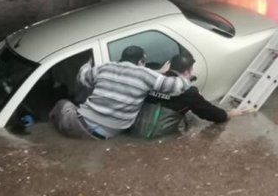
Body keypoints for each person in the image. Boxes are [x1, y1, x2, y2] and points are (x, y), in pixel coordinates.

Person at [49, 45, 190, 140]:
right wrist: (185, 74)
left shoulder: (105, 68)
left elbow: (82, 78)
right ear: (141, 61)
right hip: (103, 137)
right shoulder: (146, 75)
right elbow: (178, 86)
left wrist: (87, 62)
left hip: (77, 125)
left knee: (62, 103)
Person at [130, 54, 245, 139]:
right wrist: (228, 114)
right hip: (159, 138)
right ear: (188, 71)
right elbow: (209, 112)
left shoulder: (153, 81)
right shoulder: (188, 92)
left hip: (134, 132)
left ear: (169, 67)